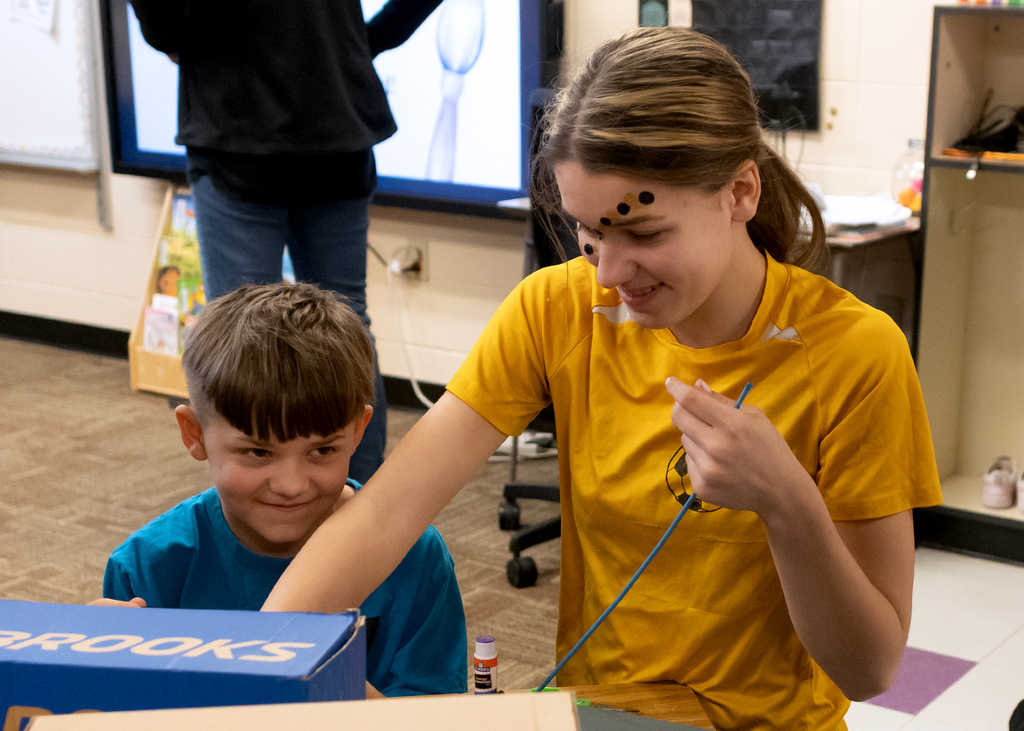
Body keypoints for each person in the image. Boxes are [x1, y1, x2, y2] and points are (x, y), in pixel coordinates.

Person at [262, 27, 943, 729]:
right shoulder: (557, 306)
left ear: (739, 192)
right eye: (589, 237)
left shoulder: (855, 353)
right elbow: (386, 509)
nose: (612, 276)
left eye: (644, 234)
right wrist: (264, 646)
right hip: (599, 716)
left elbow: (869, 669)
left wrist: (786, 502)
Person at [128, 0, 445, 484]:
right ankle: (359, 503)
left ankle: (259, 504)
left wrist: (363, 42)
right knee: (348, 326)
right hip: (334, 130)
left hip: (236, 132)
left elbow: (166, 26)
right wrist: (360, 43)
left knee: (239, 333)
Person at [99, 282, 467, 698]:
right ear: (195, 434)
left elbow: (434, 718)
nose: (291, 486)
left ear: (359, 431)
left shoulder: (415, 556)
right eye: (257, 452)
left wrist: (312, 674)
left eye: (322, 450)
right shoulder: (146, 567)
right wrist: (90, 668)